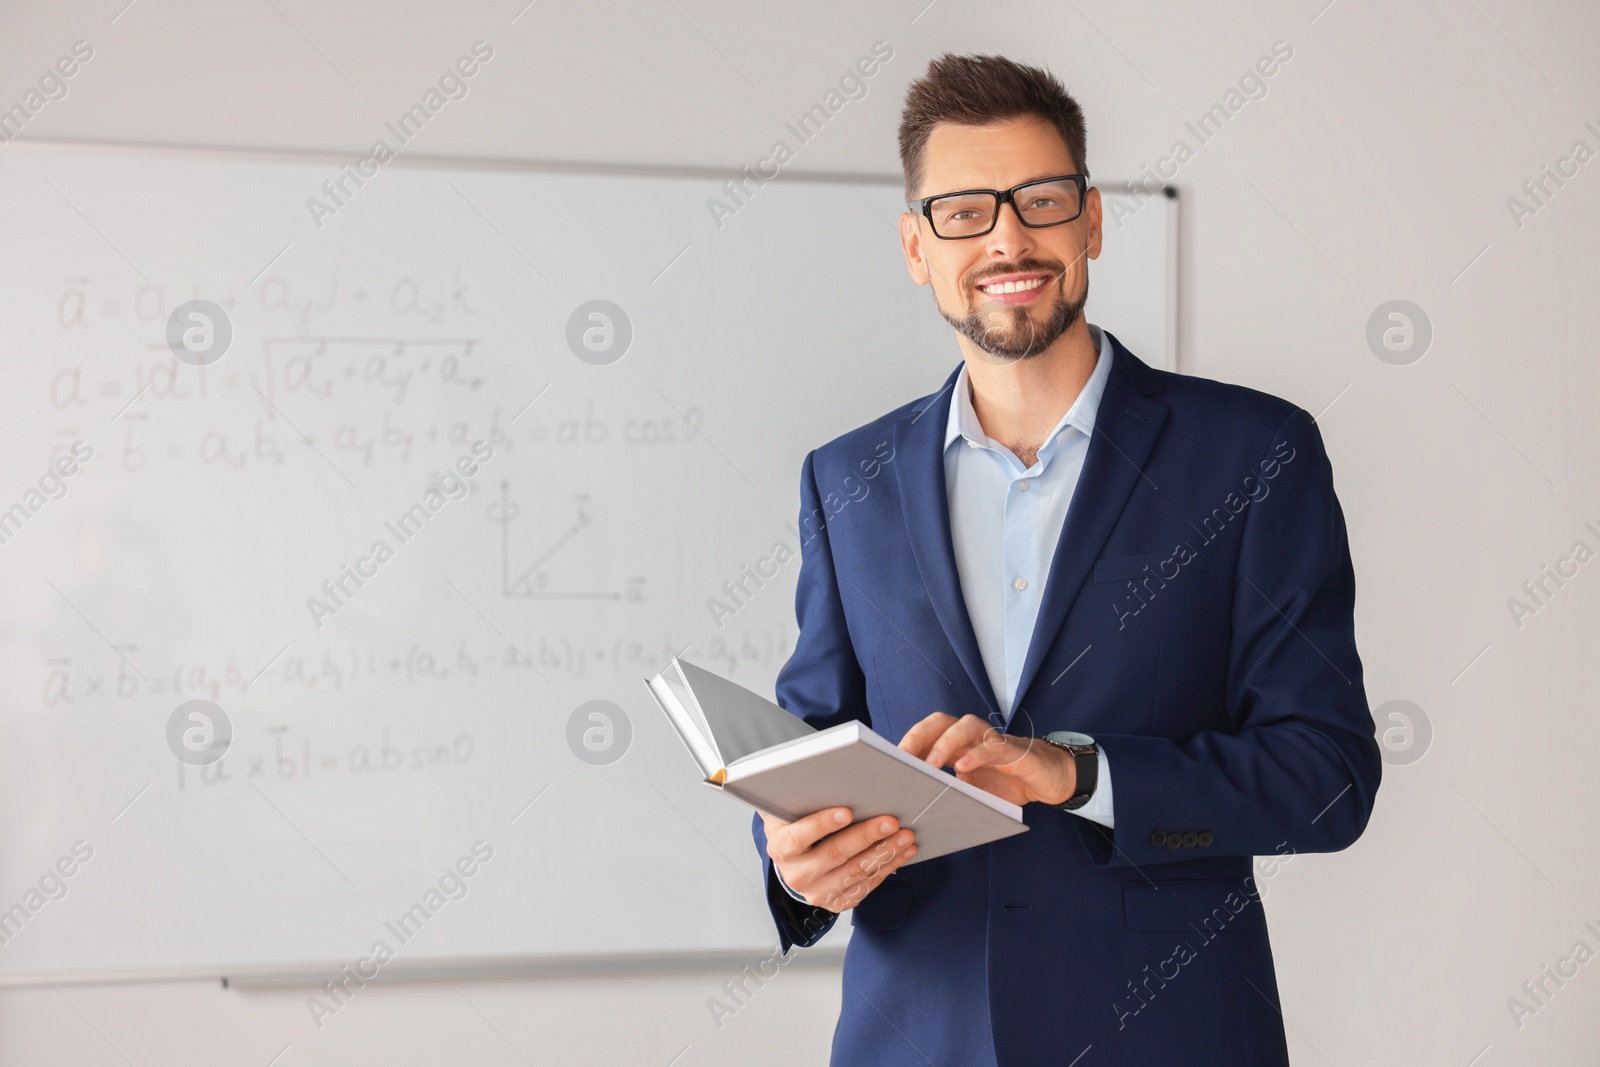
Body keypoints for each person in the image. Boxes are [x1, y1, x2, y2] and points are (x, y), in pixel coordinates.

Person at [750, 52, 1381, 1066]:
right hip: (914, 1037)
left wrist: (1073, 772)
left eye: (1038, 199)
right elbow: (819, 741)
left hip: (1168, 1034)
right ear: (916, 246)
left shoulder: (1253, 454)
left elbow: (1325, 776)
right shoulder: (844, 477)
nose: (1006, 236)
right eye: (963, 211)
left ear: (1088, 220)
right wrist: (795, 863)